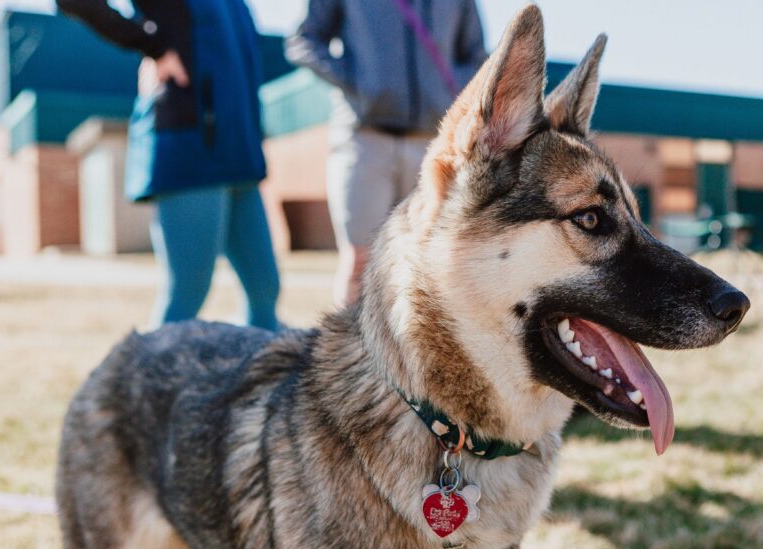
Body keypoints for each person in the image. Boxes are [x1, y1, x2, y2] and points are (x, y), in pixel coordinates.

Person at [57, 0, 281, 331]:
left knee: (265, 288)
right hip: (189, 148)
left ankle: (260, 379)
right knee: (188, 291)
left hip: (239, 155)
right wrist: (155, 48)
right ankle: (147, 381)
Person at [287, 0, 487, 307]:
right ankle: (353, 353)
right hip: (364, 140)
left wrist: (450, 91)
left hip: (432, 146)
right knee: (360, 260)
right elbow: (303, 41)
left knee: (423, 260)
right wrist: (359, 82)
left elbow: (476, 56)